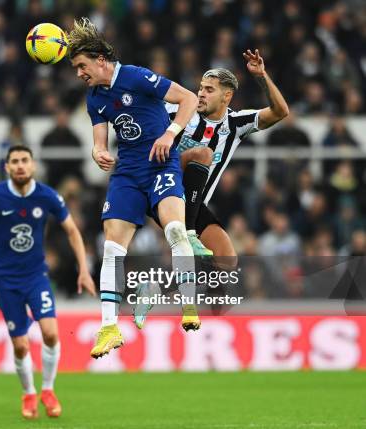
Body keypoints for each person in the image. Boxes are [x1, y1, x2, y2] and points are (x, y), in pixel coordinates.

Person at [67, 17, 200, 359]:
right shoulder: (94, 98)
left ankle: (189, 304)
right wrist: (98, 152)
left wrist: (170, 134)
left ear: (100, 59)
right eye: (75, 68)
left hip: (160, 165)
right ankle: (109, 328)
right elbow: (99, 141)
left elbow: (187, 99)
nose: (79, 73)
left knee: (174, 229)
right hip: (127, 173)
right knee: (112, 249)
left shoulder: (136, 76)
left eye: (82, 66)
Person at [134, 51, 289, 327]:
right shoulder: (180, 111)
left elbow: (280, 112)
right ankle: (190, 234)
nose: (200, 94)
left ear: (226, 96)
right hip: (161, 188)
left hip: (191, 203)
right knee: (202, 154)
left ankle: (155, 289)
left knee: (227, 261)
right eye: (200, 88)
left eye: (208, 89)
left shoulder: (235, 125)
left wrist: (262, 78)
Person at [0, 145, 95, 419]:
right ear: (7, 167)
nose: (21, 165)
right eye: (15, 161)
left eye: (25, 160)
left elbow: (72, 231)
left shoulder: (46, 196)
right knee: (21, 345)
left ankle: (48, 390)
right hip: (6, 280)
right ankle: (28, 393)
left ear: (33, 165)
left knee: (50, 333)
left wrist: (83, 269)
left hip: (37, 277)